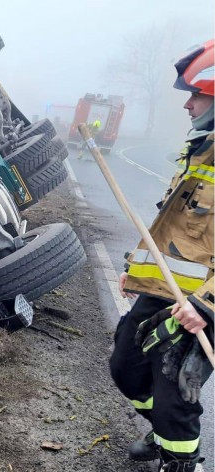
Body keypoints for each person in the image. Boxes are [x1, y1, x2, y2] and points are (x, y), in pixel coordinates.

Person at [109, 39, 214, 472]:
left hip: (200, 305)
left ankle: (179, 460)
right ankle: (160, 430)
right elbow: (172, 227)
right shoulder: (201, 150)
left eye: (197, 94)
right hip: (165, 292)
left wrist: (207, 305)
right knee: (125, 366)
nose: (188, 105)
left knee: (176, 388)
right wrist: (137, 272)